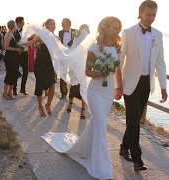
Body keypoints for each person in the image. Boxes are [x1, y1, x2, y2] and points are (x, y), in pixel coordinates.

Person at [40, 16, 123, 180]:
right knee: (100, 122)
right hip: (95, 92)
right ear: (105, 28)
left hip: (107, 94)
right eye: (115, 28)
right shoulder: (94, 47)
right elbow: (87, 72)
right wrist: (100, 73)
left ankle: (84, 150)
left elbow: (118, 70)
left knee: (97, 124)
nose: (117, 31)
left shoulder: (117, 48)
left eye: (119, 29)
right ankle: (102, 166)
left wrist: (119, 87)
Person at [119, 0, 168, 171]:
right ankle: (137, 159)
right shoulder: (128, 32)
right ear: (140, 13)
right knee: (134, 121)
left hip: (146, 83)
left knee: (134, 119)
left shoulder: (158, 35)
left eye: (154, 15)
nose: (151, 18)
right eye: (148, 14)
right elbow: (120, 59)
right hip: (130, 82)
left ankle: (124, 147)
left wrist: (163, 86)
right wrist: (116, 84)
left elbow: (160, 62)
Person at [22, 19, 58, 116]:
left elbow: (59, 51)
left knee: (52, 85)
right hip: (40, 64)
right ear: (46, 26)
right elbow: (30, 43)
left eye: (54, 24)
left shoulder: (56, 37)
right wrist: (21, 42)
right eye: (51, 24)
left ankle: (48, 104)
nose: (53, 25)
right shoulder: (41, 36)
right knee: (40, 85)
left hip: (50, 65)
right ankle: (40, 106)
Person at [66, 24, 90, 119]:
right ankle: (70, 104)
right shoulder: (76, 40)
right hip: (76, 67)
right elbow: (71, 51)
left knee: (84, 89)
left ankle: (82, 111)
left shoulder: (90, 42)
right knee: (74, 87)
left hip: (85, 68)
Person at [2, 20, 23, 100]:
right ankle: (5, 93)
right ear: (13, 26)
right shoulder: (8, 34)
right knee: (9, 75)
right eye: (15, 24)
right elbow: (6, 47)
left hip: (14, 58)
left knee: (14, 75)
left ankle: (9, 93)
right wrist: (16, 49)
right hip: (10, 58)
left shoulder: (12, 34)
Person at [58, 18, 77, 99]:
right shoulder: (60, 32)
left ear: (69, 24)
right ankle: (63, 93)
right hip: (63, 56)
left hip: (73, 56)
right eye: (61, 24)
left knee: (73, 74)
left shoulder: (76, 32)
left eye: (63, 23)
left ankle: (73, 93)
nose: (61, 25)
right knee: (63, 74)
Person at [13, 17, 29, 95]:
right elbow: (12, 43)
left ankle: (23, 89)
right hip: (16, 55)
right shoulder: (13, 32)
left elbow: (28, 40)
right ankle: (14, 89)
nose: (24, 23)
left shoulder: (26, 31)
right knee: (15, 71)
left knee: (26, 71)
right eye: (23, 22)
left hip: (25, 54)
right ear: (18, 23)